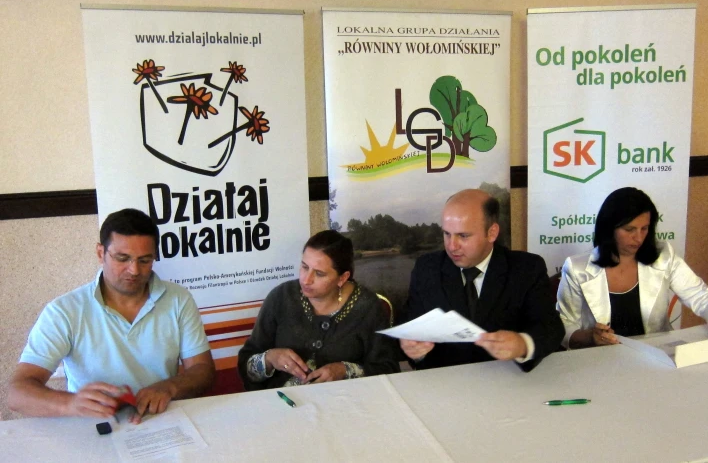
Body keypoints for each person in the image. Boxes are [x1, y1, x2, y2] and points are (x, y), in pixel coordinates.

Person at [8, 208, 215, 422]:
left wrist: (170, 387)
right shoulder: (65, 311)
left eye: (145, 260)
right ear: (100, 253)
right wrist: (71, 403)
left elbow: (203, 371)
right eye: (122, 258)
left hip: (159, 421)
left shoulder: (178, 299)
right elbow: (18, 393)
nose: (134, 270)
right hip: (92, 425)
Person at [557, 187, 708, 353]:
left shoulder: (664, 256)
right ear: (609, 229)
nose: (639, 238)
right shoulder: (577, 268)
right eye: (629, 229)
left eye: (644, 228)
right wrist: (591, 337)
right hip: (601, 360)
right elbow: (563, 326)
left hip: (656, 356)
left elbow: (702, 296)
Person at [400, 189, 565, 371]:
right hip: (445, 383)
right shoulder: (427, 269)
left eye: (463, 236)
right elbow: (411, 325)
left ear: (492, 233)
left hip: (507, 379)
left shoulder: (526, 269)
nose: (452, 246)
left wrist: (523, 344)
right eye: (447, 234)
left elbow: (550, 328)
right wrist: (415, 350)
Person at [238, 230, 399, 390]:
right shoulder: (281, 297)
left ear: (342, 278)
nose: (306, 280)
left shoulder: (367, 307)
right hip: (282, 402)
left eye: (319, 274)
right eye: (304, 267)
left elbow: (388, 370)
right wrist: (269, 359)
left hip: (346, 403)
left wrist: (345, 370)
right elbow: (246, 366)